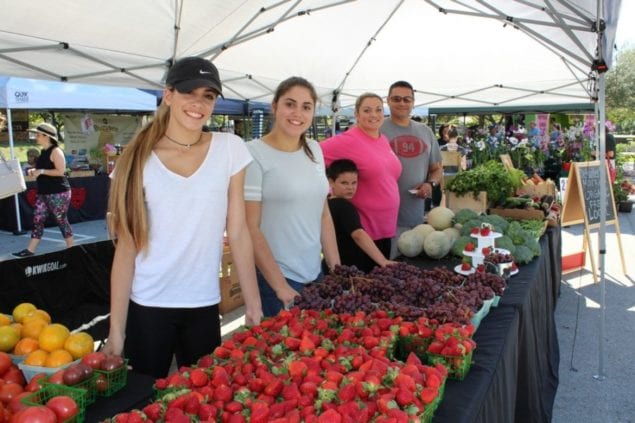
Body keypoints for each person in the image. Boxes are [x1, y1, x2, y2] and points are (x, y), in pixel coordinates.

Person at [101, 57, 262, 377]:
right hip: (147, 307)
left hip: (204, 305)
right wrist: (116, 329)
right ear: (169, 95)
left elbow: (240, 231)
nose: (199, 103)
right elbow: (127, 247)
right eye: (189, 91)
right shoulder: (137, 157)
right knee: (143, 404)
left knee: (202, 402)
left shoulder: (230, 148)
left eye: (208, 95)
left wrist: (253, 304)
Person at [244, 76, 340, 317]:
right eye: (290, 104)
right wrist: (280, 287)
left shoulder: (315, 149)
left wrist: (336, 268)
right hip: (277, 280)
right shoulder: (253, 154)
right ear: (274, 107)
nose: (297, 112)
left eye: (306, 107)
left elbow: (323, 213)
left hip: (314, 275)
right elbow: (250, 228)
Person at [321, 92, 402, 263]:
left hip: (386, 231)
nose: (374, 115)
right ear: (356, 114)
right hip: (361, 236)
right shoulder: (349, 140)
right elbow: (312, 155)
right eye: (367, 110)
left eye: (378, 110)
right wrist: (329, 190)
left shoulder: (383, 139)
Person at [380, 81, 442, 258]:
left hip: (415, 217)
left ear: (413, 102)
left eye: (407, 99)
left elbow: (436, 169)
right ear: (388, 101)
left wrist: (430, 184)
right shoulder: (376, 129)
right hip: (383, 220)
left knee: (412, 269)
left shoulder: (426, 131)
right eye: (396, 99)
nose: (402, 103)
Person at [13, 123, 74, 258]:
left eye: (38, 134)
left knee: (61, 220)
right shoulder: (44, 152)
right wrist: (35, 171)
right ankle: (30, 250)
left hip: (59, 192)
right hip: (44, 192)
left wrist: (40, 171)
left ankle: (72, 249)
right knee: (37, 219)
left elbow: (61, 171)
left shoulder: (56, 151)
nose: (36, 137)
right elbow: (44, 171)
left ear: (47, 136)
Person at [326, 159, 396, 273]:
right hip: (349, 268)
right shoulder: (344, 206)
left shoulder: (326, 203)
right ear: (331, 182)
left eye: (354, 182)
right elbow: (358, 234)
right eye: (344, 183)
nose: (350, 187)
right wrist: (383, 260)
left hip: (331, 265)